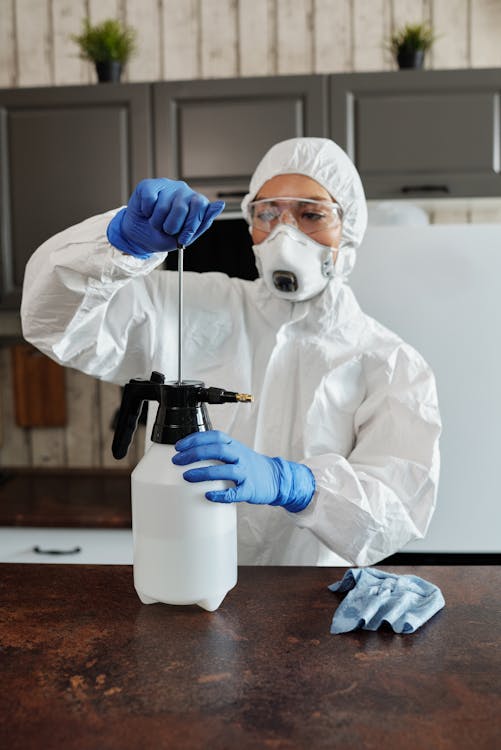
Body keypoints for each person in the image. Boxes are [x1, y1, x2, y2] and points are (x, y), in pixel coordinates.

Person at [21, 137, 441, 566]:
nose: (285, 233)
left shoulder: (387, 361)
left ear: (348, 231)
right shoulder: (192, 305)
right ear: (251, 223)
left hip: (311, 608)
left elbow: (396, 512)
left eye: (311, 214)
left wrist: (297, 485)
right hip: (185, 582)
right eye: (267, 214)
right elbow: (53, 324)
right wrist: (120, 245)